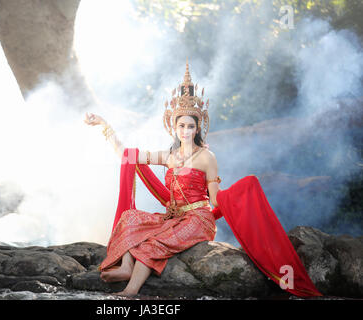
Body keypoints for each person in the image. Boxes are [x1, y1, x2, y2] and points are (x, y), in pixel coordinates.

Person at [84, 62, 323, 298]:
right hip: (174, 218)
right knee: (130, 217)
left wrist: (241, 193)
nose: (186, 131)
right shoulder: (169, 156)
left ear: (198, 128)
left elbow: (216, 198)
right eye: (181, 126)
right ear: (174, 127)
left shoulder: (207, 157)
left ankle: (130, 292)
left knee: (151, 244)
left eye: (190, 126)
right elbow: (128, 155)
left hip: (199, 220)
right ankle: (126, 268)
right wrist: (105, 126)